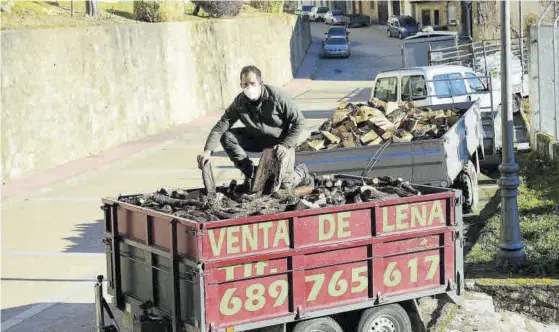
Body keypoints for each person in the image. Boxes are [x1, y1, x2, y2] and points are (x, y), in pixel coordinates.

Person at [198, 65, 305, 188]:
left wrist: (286, 145)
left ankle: (302, 172)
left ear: (261, 82)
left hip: (280, 143)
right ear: (241, 85)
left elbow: (299, 121)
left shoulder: (277, 98)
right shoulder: (240, 102)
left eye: (253, 83)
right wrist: (207, 151)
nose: (249, 88)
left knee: (284, 184)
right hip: (257, 139)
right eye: (245, 84)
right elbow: (221, 125)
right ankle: (252, 174)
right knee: (227, 136)